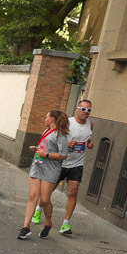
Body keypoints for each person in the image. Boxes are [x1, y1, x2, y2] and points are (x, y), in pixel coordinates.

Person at [18, 110, 68, 240]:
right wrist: (37, 149)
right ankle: (26, 228)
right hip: (38, 166)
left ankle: (48, 223)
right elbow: (46, 146)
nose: (44, 119)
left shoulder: (60, 136)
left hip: (51, 169)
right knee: (32, 196)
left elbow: (63, 155)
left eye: (46, 117)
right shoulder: (46, 131)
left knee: (44, 200)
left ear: (52, 119)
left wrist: (46, 155)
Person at [55, 99, 94, 236]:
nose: (86, 112)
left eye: (89, 110)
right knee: (48, 190)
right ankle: (38, 209)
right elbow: (56, 139)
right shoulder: (68, 122)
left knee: (73, 190)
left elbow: (87, 138)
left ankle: (66, 223)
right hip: (61, 161)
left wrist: (89, 144)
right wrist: (67, 144)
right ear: (77, 109)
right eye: (83, 109)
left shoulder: (90, 124)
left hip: (77, 163)